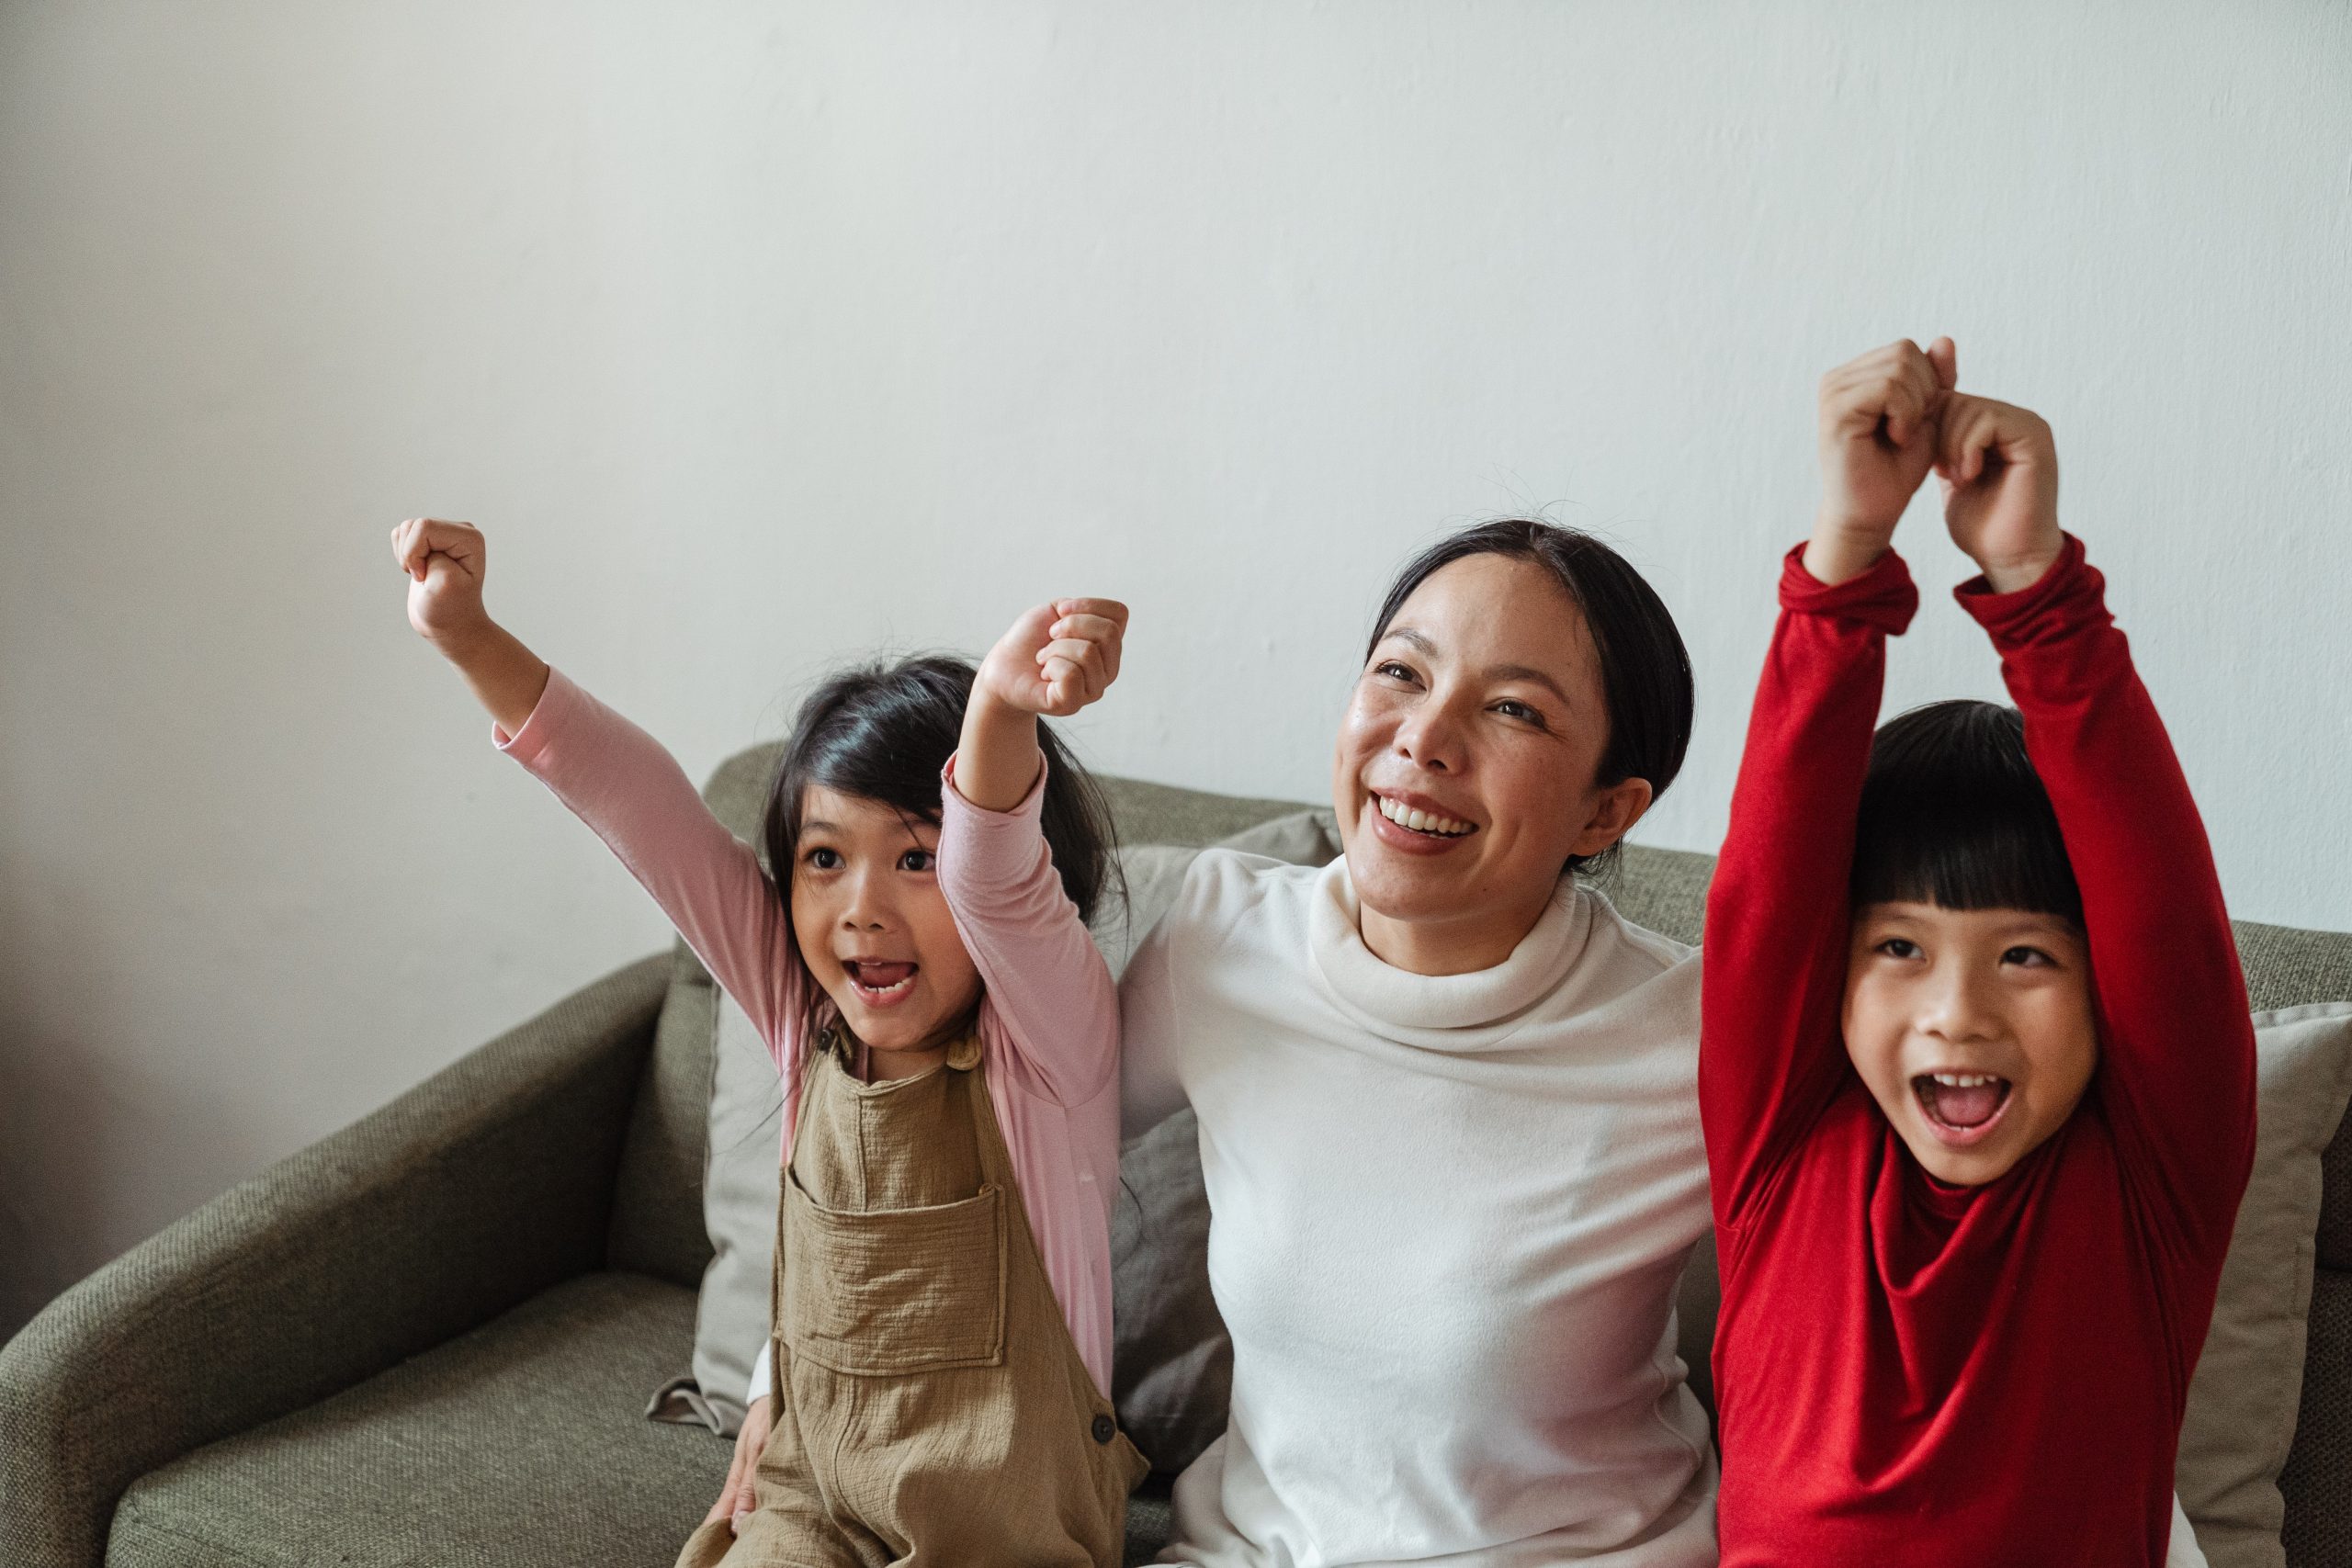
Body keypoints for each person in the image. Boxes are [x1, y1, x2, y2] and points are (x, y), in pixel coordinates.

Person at [392, 517, 1149, 1565]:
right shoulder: (805, 1021)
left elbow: (1001, 879)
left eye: (916, 861)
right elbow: (637, 805)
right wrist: (469, 636)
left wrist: (999, 710)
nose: (861, 909)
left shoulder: (1051, 1045)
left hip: (1009, 1532)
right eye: (826, 858)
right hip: (813, 1500)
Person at [1699, 339, 2256, 1564]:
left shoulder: (2153, 1188)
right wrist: (1845, 550)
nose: (1957, 1011)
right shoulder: (1782, 1148)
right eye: (1900, 945)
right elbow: (1768, 889)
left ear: (2103, 983)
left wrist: (2037, 584)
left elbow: (2161, 908)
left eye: (2027, 958)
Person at [1121, 518, 1720, 1567]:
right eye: (1400, 672)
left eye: (1512, 709)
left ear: (1607, 812)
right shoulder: (1223, 939)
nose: (1424, 739)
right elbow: (995, 1149)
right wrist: (798, 1380)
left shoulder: (1691, 1030)